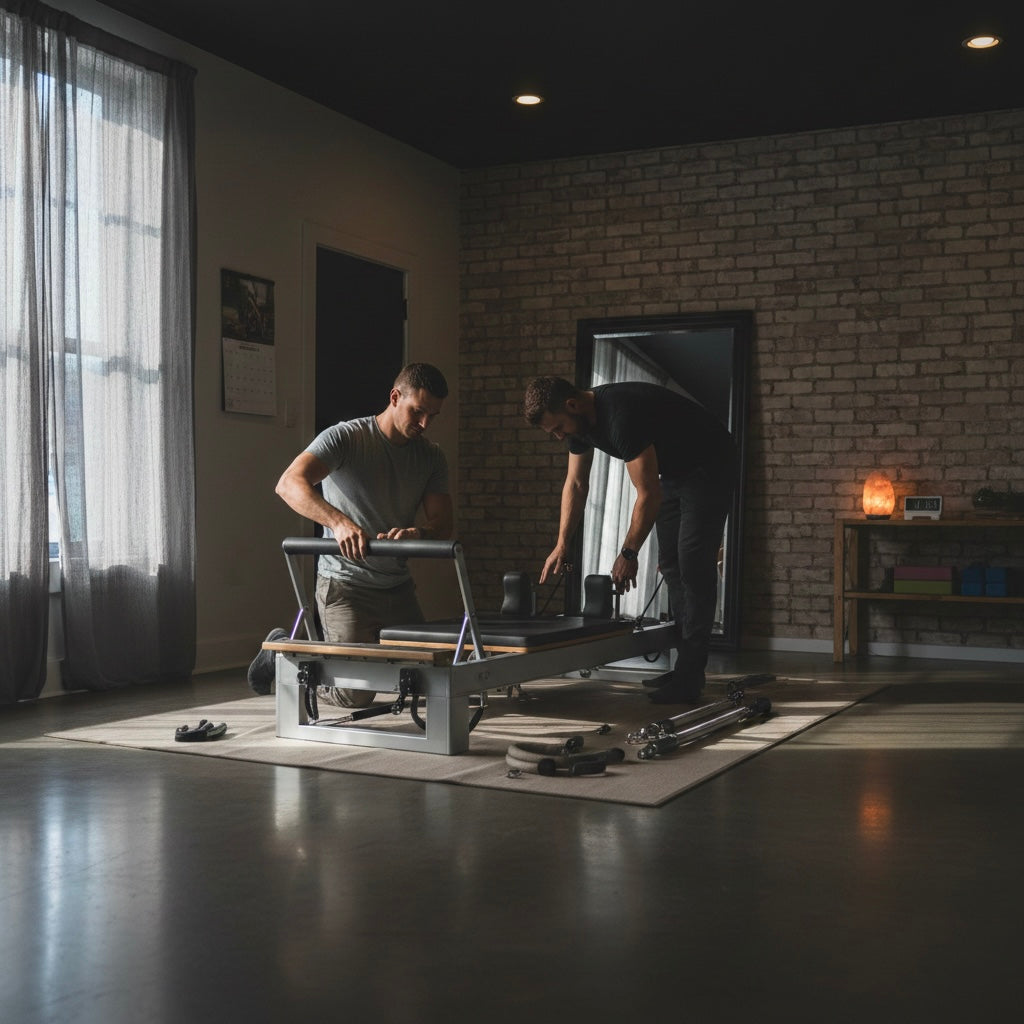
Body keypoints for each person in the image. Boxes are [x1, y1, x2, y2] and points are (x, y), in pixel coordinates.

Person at [523, 376, 737, 705]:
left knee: (693, 563)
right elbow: (577, 484)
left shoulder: (620, 414)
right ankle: (686, 670)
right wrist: (562, 543)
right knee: (671, 564)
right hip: (677, 471)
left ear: (572, 405)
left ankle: (690, 677)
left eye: (558, 428)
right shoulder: (579, 425)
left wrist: (628, 553)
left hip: (711, 463)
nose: (559, 436)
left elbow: (647, 494)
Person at [258, 363, 453, 707]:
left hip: (397, 586)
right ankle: (281, 662)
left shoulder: (431, 457)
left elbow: (442, 525)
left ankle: (336, 656)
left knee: (431, 684)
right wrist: (338, 522)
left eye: (432, 416)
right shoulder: (346, 437)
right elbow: (288, 484)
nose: (424, 424)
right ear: (395, 398)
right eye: (418, 412)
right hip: (345, 586)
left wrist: (419, 532)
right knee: (355, 694)